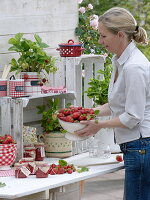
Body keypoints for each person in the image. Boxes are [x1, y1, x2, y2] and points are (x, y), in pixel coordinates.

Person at [75, 7, 150, 200]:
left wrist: (97, 126)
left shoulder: (134, 67)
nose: (100, 41)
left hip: (141, 145)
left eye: (103, 36)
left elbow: (133, 116)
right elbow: (117, 105)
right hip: (135, 145)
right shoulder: (119, 61)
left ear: (120, 35)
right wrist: (87, 112)